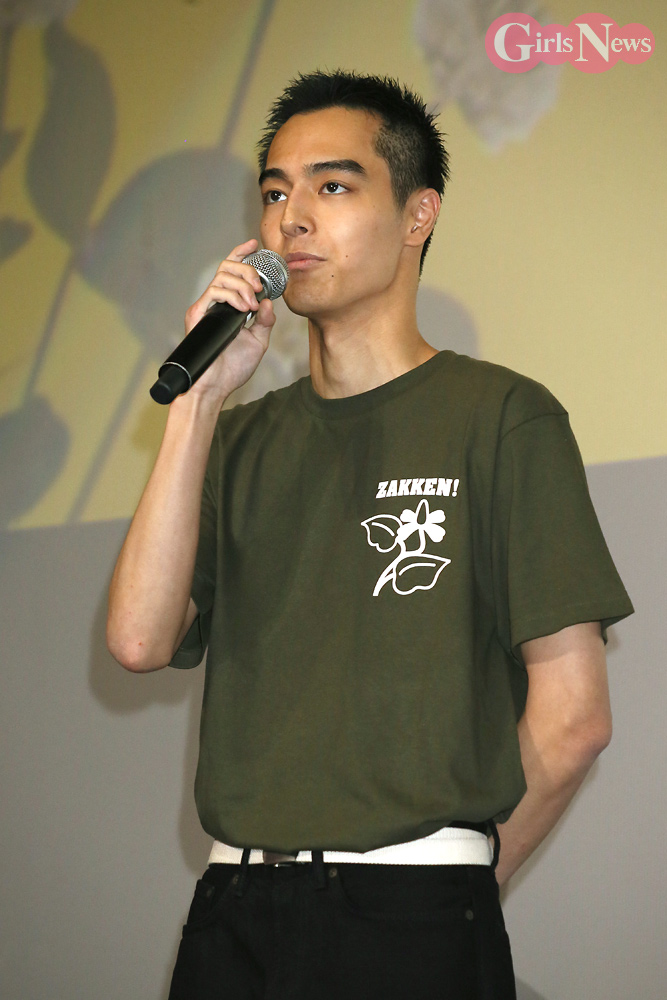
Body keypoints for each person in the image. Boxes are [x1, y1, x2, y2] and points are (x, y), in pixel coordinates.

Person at [107, 70, 633, 999]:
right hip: (233, 911)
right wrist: (198, 404)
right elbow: (139, 641)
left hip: (413, 908)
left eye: (333, 186)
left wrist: (460, 885)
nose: (293, 219)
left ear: (417, 214)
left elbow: (574, 717)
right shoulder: (238, 439)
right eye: (276, 192)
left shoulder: (500, 416)